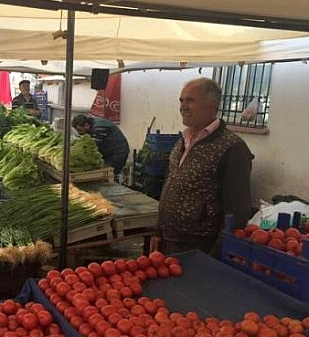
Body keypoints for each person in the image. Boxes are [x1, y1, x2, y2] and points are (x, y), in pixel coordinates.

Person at [152, 77, 253, 256]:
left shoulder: (232, 148)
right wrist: (158, 230)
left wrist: (216, 255)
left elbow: (237, 211)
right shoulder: (182, 141)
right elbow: (169, 186)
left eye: (190, 100)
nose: (183, 106)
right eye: (181, 101)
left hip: (200, 246)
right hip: (170, 240)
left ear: (212, 104)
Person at [72, 114, 130, 180]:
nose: (79, 133)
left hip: (117, 152)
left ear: (86, 125)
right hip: (109, 151)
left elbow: (93, 147)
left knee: (109, 174)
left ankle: (113, 185)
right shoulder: (91, 123)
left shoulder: (99, 128)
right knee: (104, 172)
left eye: (79, 130)